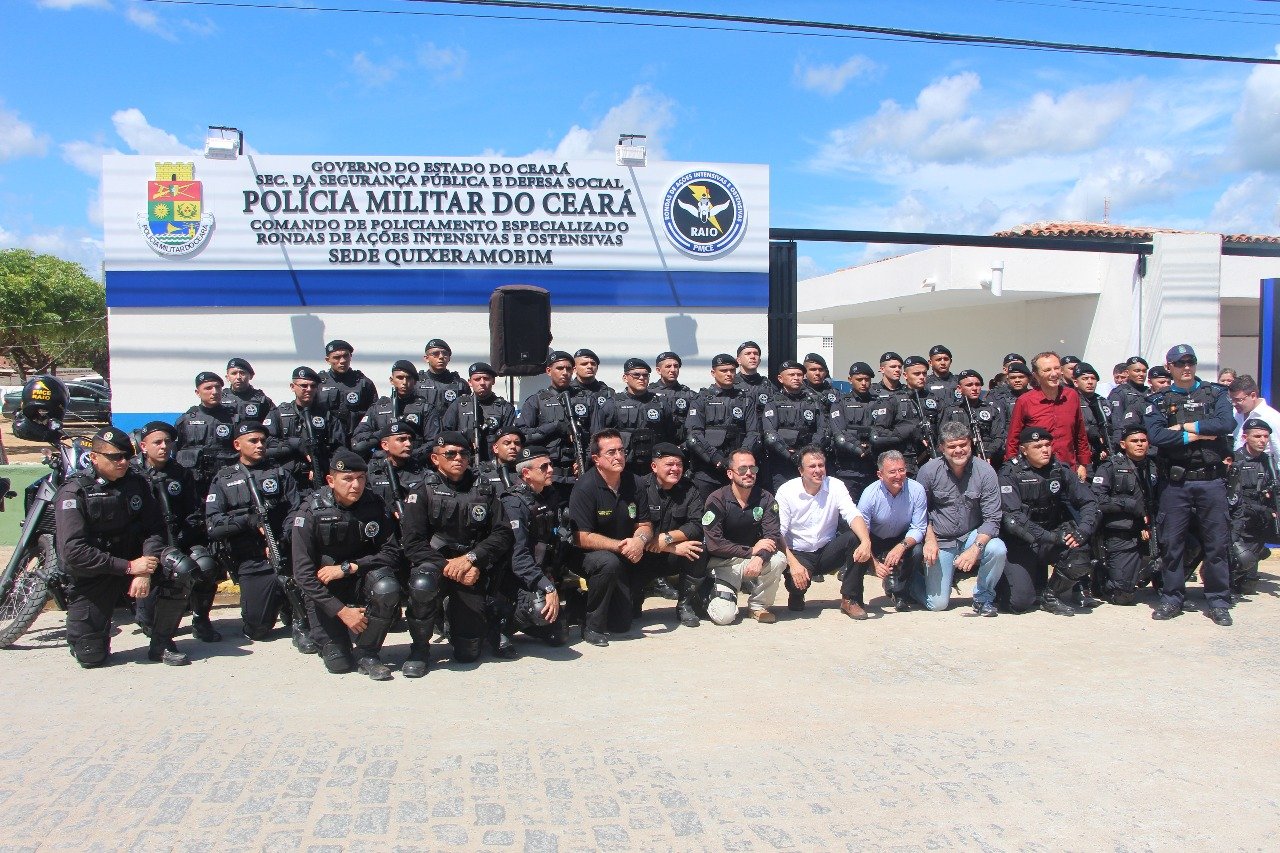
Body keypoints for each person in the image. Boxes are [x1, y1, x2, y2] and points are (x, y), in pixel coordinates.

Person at [55, 426, 186, 668]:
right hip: (96, 574)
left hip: (136, 565)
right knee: (91, 656)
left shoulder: (136, 484)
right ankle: (93, 634)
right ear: (94, 457)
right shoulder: (74, 492)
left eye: (127, 455)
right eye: (115, 457)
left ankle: (161, 642)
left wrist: (144, 569)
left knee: (181, 568)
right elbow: (73, 552)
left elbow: (154, 529)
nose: (123, 462)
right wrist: (128, 567)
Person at [399, 432, 513, 667]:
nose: (458, 458)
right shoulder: (421, 491)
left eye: (463, 453)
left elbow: (502, 533)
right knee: (422, 585)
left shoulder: (483, 489)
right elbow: (413, 544)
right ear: (435, 458)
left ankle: (452, 618)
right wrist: (451, 566)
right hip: (435, 564)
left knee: (468, 653)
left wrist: (472, 559)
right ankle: (420, 649)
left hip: (472, 568)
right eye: (450, 454)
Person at [291, 449, 405, 681]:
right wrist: (343, 612)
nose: (356, 485)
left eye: (361, 478)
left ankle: (367, 652)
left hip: (359, 579)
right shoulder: (310, 511)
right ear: (331, 480)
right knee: (339, 663)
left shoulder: (374, 504)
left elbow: (392, 552)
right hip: (325, 593)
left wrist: (350, 567)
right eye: (348, 479)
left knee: (387, 587)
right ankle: (315, 630)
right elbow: (303, 575)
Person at [1143, 344, 1235, 625]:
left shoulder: (1216, 393)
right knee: (1172, 544)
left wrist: (1185, 428)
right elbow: (1157, 436)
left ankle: (1218, 600)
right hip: (1176, 483)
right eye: (1179, 362)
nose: (1186, 367)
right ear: (1168, 366)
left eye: (1190, 362)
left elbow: (1225, 424)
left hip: (1211, 480)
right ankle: (1172, 597)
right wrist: (1199, 434)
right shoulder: (1158, 401)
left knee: (1216, 545)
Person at [205, 421, 306, 647]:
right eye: (253, 441)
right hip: (251, 560)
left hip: (284, 551)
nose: (260, 445)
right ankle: (275, 602)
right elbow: (213, 525)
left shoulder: (279, 473)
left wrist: (284, 538)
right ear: (237, 444)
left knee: (302, 581)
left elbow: (296, 509)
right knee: (257, 629)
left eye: (263, 441)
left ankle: (300, 620)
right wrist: (248, 521)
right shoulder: (224, 479)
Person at [132, 420, 221, 643]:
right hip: (144, 544)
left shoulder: (181, 473)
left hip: (179, 537)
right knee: (153, 625)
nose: (163, 446)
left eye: (167, 442)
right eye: (157, 442)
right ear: (144, 446)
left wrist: (182, 538)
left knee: (205, 564)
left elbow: (193, 512)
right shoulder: (132, 474)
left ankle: (200, 619)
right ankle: (150, 618)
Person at [998, 427, 1100, 615]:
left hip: (1052, 534)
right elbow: (1013, 519)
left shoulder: (1060, 470)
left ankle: (1050, 596)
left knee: (1080, 555)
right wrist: (1051, 537)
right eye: (1037, 446)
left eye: (1047, 445)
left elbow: (1089, 501)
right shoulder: (1009, 473)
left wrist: (1084, 530)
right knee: (1019, 603)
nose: (1045, 450)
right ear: (1024, 450)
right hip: (1022, 542)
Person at [567, 429, 653, 646]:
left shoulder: (636, 483)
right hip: (587, 556)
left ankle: (578, 602)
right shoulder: (585, 487)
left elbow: (644, 524)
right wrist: (620, 546)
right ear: (596, 459)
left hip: (622, 553)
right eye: (611, 452)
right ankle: (592, 626)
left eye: (621, 451)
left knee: (622, 624)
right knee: (608, 562)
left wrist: (639, 540)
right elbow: (580, 537)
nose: (618, 457)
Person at [915, 421, 1007, 614]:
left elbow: (992, 518)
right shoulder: (928, 471)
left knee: (997, 549)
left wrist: (976, 548)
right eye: (952, 446)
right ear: (942, 448)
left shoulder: (986, 472)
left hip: (970, 536)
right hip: (940, 539)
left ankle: (983, 598)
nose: (959, 450)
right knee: (938, 605)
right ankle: (906, 584)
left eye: (963, 445)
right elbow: (920, 512)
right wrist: (929, 540)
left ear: (970, 443)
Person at [775, 445, 873, 618]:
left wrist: (866, 542)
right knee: (797, 585)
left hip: (827, 550)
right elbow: (778, 533)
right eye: (812, 466)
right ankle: (797, 594)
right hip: (798, 553)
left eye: (821, 465)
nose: (818, 470)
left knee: (856, 539)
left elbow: (853, 514)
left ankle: (850, 599)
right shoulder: (786, 491)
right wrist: (793, 564)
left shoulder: (836, 486)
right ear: (801, 471)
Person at [497, 446, 571, 651]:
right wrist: (546, 586)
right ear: (527, 474)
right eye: (544, 467)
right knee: (540, 609)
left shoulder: (548, 494)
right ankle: (500, 625)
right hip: (514, 577)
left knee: (559, 635)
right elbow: (518, 557)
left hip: (541, 571)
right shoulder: (513, 503)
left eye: (550, 465)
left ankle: (525, 624)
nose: (550, 470)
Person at [700, 449, 786, 625]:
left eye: (753, 469)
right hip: (723, 564)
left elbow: (772, 536)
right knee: (724, 618)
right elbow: (714, 544)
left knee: (779, 559)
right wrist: (752, 551)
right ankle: (707, 593)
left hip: (750, 562)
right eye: (742, 469)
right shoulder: (717, 500)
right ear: (730, 473)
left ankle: (757, 606)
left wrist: (759, 558)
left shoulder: (766, 498)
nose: (748, 473)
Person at [634, 443, 707, 627]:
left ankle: (685, 604)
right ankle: (634, 598)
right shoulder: (639, 487)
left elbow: (697, 525)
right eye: (669, 464)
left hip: (673, 557)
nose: (675, 469)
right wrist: (672, 546)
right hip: (643, 556)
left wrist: (667, 539)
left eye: (679, 465)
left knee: (699, 549)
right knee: (627, 615)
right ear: (654, 466)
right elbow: (630, 528)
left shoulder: (689, 489)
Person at [1091, 424, 1159, 605]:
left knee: (1188, 546)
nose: (1139, 444)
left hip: (1150, 531)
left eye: (1143, 441)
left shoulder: (1154, 466)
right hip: (1121, 533)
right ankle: (1102, 575)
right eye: (1134, 441)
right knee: (1122, 596)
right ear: (1123, 444)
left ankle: (1156, 579)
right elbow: (1097, 500)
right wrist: (1130, 506)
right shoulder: (1110, 466)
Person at [856, 450, 927, 612]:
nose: (898, 476)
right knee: (857, 545)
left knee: (917, 550)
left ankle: (901, 592)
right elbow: (861, 531)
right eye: (892, 472)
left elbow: (919, 527)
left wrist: (901, 546)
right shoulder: (869, 494)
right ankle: (854, 597)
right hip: (874, 538)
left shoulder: (917, 490)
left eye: (901, 470)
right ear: (880, 474)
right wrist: (873, 563)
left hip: (901, 537)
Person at [684, 353, 761, 500]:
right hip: (707, 472)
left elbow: (753, 433)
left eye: (732, 370)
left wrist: (738, 460)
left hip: (738, 471)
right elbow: (694, 435)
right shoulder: (701, 399)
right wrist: (717, 458)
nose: (729, 374)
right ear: (713, 373)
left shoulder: (745, 399)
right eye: (724, 370)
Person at [1004, 351, 1091, 478]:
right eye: (1047, 370)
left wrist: (1083, 464)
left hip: (1068, 469)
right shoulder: (1025, 401)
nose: (1054, 374)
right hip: (1036, 473)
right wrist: (1012, 467)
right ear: (1036, 375)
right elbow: (1013, 438)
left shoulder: (1072, 396)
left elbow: (1080, 433)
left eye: (1057, 368)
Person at [264, 366, 348, 493]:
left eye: (313, 386)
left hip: (320, 475)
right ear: (292, 387)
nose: (309, 389)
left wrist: (324, 465)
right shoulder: (279, 414)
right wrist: (295, 444)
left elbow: (339, 447)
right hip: (288, 477)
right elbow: (267, 442)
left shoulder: (326, 415)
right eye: (304, 385)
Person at [517, 350, 585, 498]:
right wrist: (555, 427)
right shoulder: (536, 401)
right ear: (549, 371)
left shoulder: (584, 400)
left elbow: (597, 435)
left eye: (568, 368)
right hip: (548, 475)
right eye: (560, 368)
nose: (565, 372)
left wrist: (585, 460)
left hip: (578, 473)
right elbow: (523, 436)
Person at [591, 358, 675, 476]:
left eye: (645, 375)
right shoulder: (612, 404)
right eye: (636, 375)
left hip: (653, 467)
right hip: (623, 466)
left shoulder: (660, 404)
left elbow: (670, 437)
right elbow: (598, 438)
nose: (641, 378)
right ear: (625, 378)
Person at [1227, 418, 1278, 598]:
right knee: (1238, 566)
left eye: (1265, 436)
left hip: (1259, 524)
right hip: (1240, 521)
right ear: (1245, 437)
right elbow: (1232, 497)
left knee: (1249, 587)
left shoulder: (1269, 463)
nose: (1262, 440)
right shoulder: (1235, 461)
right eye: (1257, 436)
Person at [761, 360, 827, 492]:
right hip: (782, 463)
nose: (796, 378)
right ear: (780, 378)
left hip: (809, 463)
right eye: (791, 375)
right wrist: (790, 455)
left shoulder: (813, 401)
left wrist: (807, 454)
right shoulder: (773, 402)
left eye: (799, 374)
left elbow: (823, 430)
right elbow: (770, 435)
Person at [350, 360, 435, 459]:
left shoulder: (425, 408)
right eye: (400, 378)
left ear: (415, 381)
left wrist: (411, 455)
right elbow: (357, 440)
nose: (404, 382)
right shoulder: (377, 408)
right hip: (383, 464)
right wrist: (383, 432)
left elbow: (433, 442)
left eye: (408, 378)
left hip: (414, 465)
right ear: (391, 380)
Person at [173, 370, 238, 498]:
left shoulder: (234, 419)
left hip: (225, 480)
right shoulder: (185, 420)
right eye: (208, 388)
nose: (214, 392)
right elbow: (176, 451)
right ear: (197, 393)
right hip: (194, 482)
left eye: (218, 387)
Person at [442, 361, 517, 466]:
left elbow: (510, 438)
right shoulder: (459, 404)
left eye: (486, 378)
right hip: (463, 463)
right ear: (469, 382)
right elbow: (445, 434)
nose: (482, 383)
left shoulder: (505, 407)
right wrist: (465, 434)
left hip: (494, 464)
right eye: (477, 379)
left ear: (493, 381)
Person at [828, 361, 884, 501]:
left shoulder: (879, 402)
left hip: (873, 467)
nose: (864, 383)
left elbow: (885, 430)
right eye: (859, 379)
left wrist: (871, 446)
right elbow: (839, 433)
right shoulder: (840, 403)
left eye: (867, 379)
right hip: (848, 470)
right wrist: (859, 448)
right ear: (850, 380)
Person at [875, 355, 938, 475]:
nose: (921, 377)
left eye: (924, 374)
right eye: (917, 374)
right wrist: (908, 432)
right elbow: (878, 433)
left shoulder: (934, 400)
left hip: (930, 460)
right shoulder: (894, 400)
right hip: (903, 464)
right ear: (905, 376)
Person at [365, 420, 431, 524]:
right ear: (385, 445)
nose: (408, 444)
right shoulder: (370, 473)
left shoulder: (423, 473)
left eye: (410, 439)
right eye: (401, 439)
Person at [939, 369, 1006, 466]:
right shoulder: (950, 410)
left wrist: (988, 452)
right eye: (969, 385)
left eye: (977, 384)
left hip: (987, 458)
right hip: (959, 460)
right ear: (959, 388)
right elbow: (942, 437)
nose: (974, 388)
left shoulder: (991, 409)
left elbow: (999, 436)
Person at [316, 339, 378, 436]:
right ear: (328, 360)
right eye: (337, 357)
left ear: (351, 356)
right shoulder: (319, 383)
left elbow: (375, 412)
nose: (343, 361)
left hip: (356, 436)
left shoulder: (363, 382)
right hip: (328, 438)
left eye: (346, 356)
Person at [1228, 375, 1280, 465]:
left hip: (1262, 473)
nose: (1234, 403)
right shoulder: (1234, 414)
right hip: (1238, 471)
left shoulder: (1272, 418)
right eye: (1231, 399)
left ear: (1253, 395)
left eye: (1238, 400)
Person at [1074, 363, 1117, 467]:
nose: (1090, 382)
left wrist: (1106, 447)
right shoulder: (1071, 401)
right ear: (1076, 382)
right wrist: (1091, 431)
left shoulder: (1103, 402)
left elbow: (1113, 426)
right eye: (1085, 378)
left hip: (1103, 455)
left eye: (1093, 378)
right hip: (1080, 454)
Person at [416, 338, 469, 422]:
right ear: (426, 358)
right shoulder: (416, 383)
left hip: (451, 432)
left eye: (445, 353)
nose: (441, 357)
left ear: (449, 358)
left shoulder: (460, 384)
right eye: (435, 354)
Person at [648, 351, 696, 443]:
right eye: (668, 366)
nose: (673, 370)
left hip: (682, 446)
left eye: (676, 366)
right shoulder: (649, 393)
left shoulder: (688, 394)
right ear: (658, 370)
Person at [222, 357, 275, 423]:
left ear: (251, 376)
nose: (238, 377)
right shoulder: (220, 399)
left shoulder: (262, 401)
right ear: (227, 377)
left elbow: (272, 430)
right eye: (234, 373)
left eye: (242, 373)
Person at [568, 348, 614, 419]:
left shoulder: (608, 393)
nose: (589, 367)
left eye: (593, 364)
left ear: (597, 368)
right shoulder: (567, 392)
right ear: (574, 369)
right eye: (584, 364)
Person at [476, 426, 524, 491]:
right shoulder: (481, 471)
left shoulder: (527, 472)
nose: (513, 446)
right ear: (496, 448)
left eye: (517, 443)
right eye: (507, 443)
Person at [733, 340, 772, 408]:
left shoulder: (767, 385)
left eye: (756, 353)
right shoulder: (731, 384)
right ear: (738, 360)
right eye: (748, 353)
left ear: (759, 360)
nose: (753, 356)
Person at [802, 353, 841, 418]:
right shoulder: (799, 393)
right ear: (804, 372)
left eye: (821, 370)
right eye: (813, 370)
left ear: (825, 372)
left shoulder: (835, 393)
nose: (817, 373)